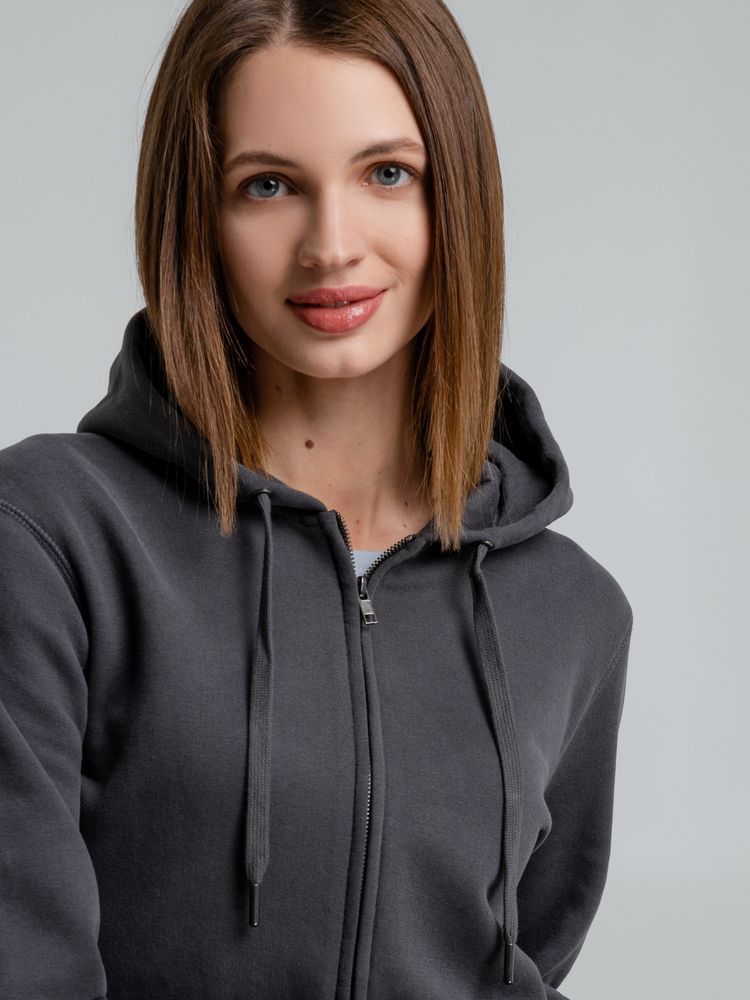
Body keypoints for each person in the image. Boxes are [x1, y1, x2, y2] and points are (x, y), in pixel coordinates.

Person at [0, 1, 633, 998]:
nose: (331, 245)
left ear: (457, 195)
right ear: (196, 217)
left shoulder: (573, 610)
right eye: (268, 185)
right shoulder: (51, 538)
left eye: (388, 174)